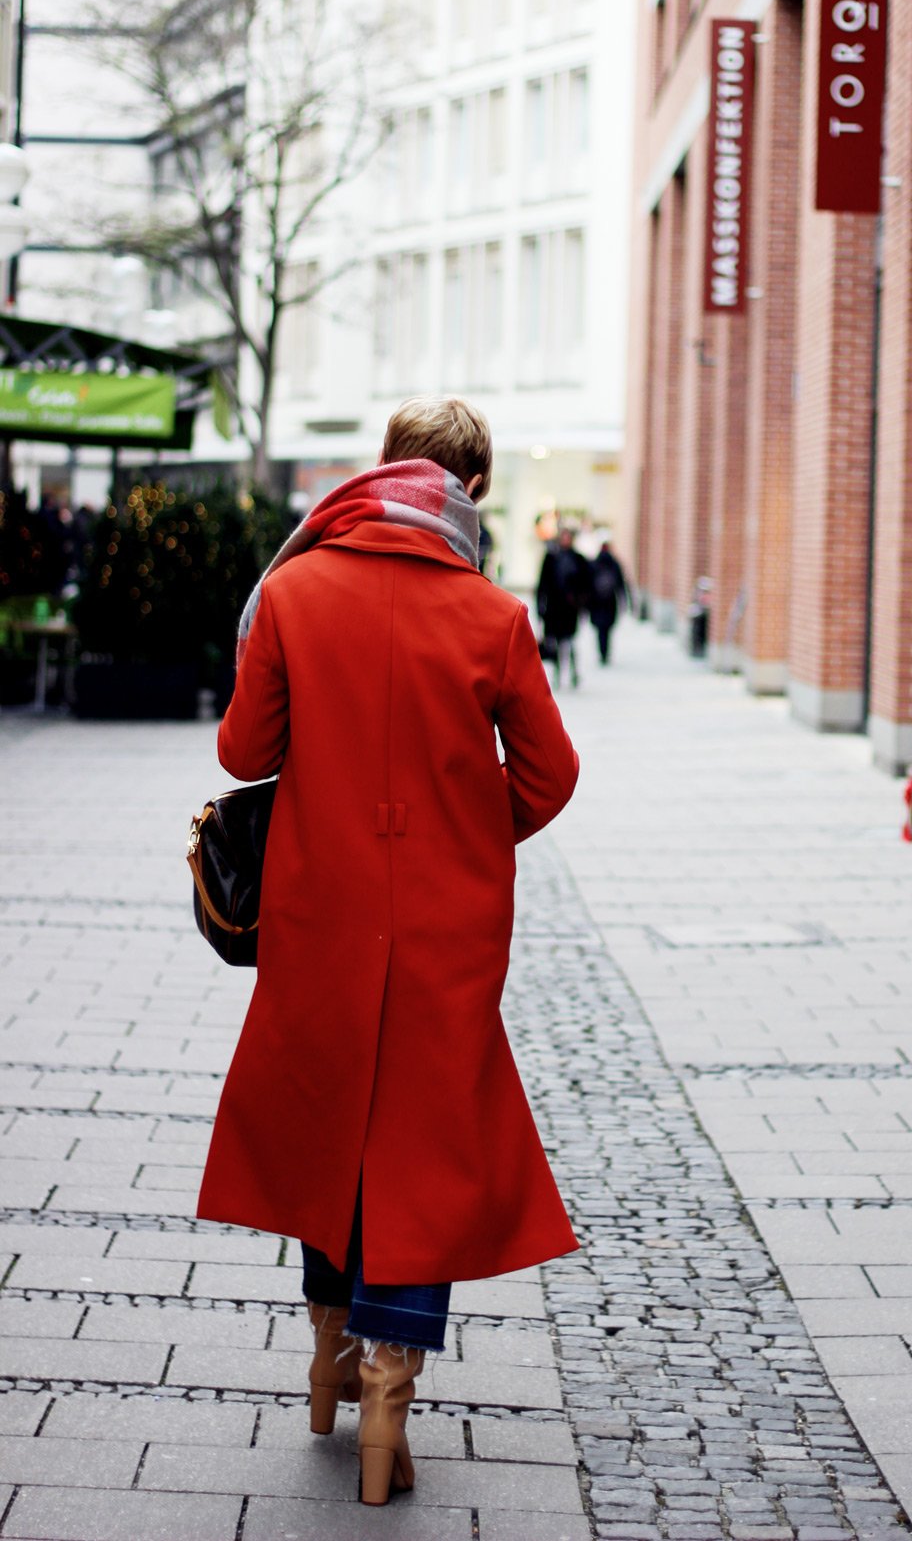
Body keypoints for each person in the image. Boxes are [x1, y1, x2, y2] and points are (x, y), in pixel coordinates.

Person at [197, 397, 580, 1507]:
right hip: (446, 928)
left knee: (331, 1126)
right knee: (421, 1147)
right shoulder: (493, 615)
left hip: (318, 916)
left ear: (381, 471)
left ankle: (327, 1354)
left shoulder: (296, 587)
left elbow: (243, 749)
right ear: (476, 492)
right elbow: (549, 777)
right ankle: (387, 1387)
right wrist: (465, 828)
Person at [536, 526, 592, 690]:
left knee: (570, 641)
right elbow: (542, 584)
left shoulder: (578, 559)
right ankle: (557, 675)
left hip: (570, 608)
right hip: (553, 608)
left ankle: (574, 673)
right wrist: (540, 606)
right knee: (555, 643)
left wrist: (581, 603)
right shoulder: (551, 558)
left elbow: (586, 584)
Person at [588, 540, 628, 665]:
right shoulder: (614, 563)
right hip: (610, 602)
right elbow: (621, 584)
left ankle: (602, 652)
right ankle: (605, 653)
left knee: (601, 630)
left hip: (597, 602)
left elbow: (587, 584)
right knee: (607, 630)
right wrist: (624, 601)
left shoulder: (594, 563)